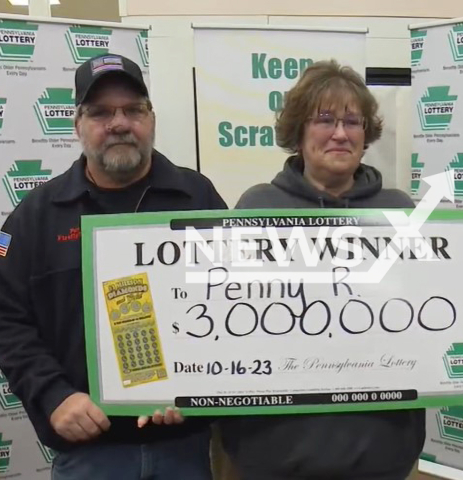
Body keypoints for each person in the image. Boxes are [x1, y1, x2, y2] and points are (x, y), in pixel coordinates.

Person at [0, 54, 227, 480]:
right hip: (88, 454)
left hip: (184, 449)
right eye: (101, 112)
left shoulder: (198, 197)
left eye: (133, 110)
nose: (119, 123)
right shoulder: (37, 216)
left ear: (151, 118)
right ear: (77, 124)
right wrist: (53, 395)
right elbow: (6, 318)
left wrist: (195, 387)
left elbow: (229, 303)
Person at [219, 60, 425, 480]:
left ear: (366, 134)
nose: (340, 133)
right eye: (325, 119)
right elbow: (224, 323)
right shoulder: (257, 208)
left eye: (353, 121)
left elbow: (435, 317)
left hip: (381, 452)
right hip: (274, 454)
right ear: (298, 131)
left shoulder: (401, 211)